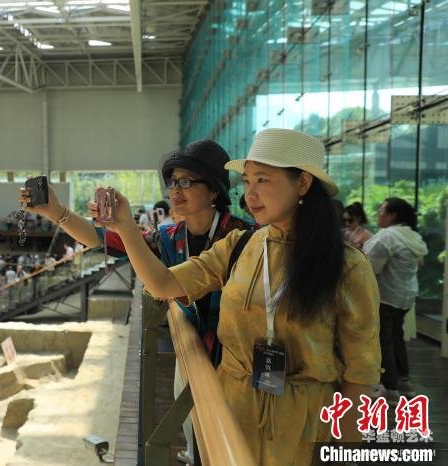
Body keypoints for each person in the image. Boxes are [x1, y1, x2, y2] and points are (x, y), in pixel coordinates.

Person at [91, 129, 381, 464]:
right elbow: (164, 284)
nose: (250, 194)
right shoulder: (240, 245)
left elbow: (361, 372)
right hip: (231, 409)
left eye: (263, 180)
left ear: (302, 183)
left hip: (304, 424)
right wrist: (125, 227)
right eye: (247, 181)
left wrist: (343, 449)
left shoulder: (346, 265)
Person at [20, 139, 251, 465]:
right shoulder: (171, 237)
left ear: (214, 189)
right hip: (193, 356)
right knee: (197, 435)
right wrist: (55, 211)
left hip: (239, 368)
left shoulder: (243, 237)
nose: (175, 190)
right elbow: (102, 239)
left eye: (186, 181)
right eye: (172, 182)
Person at [363, 198, 427, 401]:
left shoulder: (388, 236)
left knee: (384, 340)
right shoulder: (412, 235)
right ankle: (403, 381)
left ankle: (390, 387)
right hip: (405, 295)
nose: (378, 213)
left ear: (392, 215)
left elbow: (368, 266)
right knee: (397, 337)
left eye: (381, 210)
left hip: (387, 296)